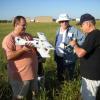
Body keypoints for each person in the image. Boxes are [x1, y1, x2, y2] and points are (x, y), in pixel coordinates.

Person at [2, 16, 38, 100]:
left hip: (33, 74)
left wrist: (40, 47)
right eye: (23, 25)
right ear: (16, 25)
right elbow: (9, 56)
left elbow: (34, 50)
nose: (25, 27)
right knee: (18, 97)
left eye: (26, 25)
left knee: (32, 95)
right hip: (20, 77)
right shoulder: (9, 39)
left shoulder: (28, 36)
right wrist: (23, 50)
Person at [69, 13, 100, 100]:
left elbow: (80, 53)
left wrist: (75, 45)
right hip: (95, 75)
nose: (81, 27)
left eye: (82, 25)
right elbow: (88, 49)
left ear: (88, 23)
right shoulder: (97, 34)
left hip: (91, 77)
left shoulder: (93, 35)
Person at [54, 13, 85, 82]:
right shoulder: (58, 30)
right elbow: (56, 42)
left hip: (69, 58)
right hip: (59, 58)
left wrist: (75, 45)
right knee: (60, 74)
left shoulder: (73, 30)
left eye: (66, 21)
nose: (64, 23)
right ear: (59, 22)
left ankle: (69, 87)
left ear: (68, 21)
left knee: (69, 76)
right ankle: (60, 87)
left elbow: (83, 39)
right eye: (62, 21)